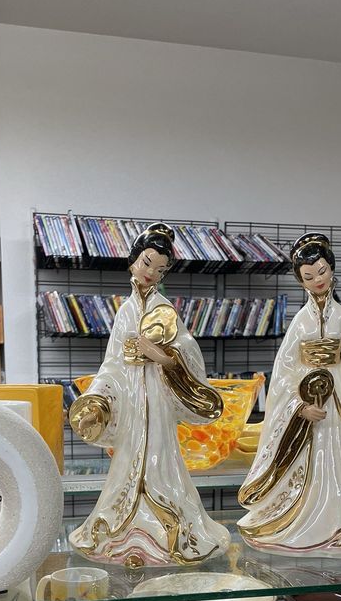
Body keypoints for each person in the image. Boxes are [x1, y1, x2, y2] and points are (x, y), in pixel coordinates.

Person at [68, 222, 231, 568]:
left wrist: (161, 355)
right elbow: (111, 364)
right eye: (146, 263)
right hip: (130, 400)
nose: (150, 273)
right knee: (127, 459)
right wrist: (98, 399)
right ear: (132, 261)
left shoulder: (164, 309)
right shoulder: (125, 311)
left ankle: (168, 526)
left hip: (157, 398)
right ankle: (123, 529)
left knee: (160, 456)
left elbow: (186, 349)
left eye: (160, 269)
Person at [237, 232, 341, 553]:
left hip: (339, 409)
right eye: (309, 276)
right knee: (309, 470)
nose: (318, 280)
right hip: (309, 411)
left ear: (332, 268)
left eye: (322, 271)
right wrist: (299, 406)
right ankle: (301, 525)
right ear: (301, 281)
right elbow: (284, 375)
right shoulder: (301, 323)